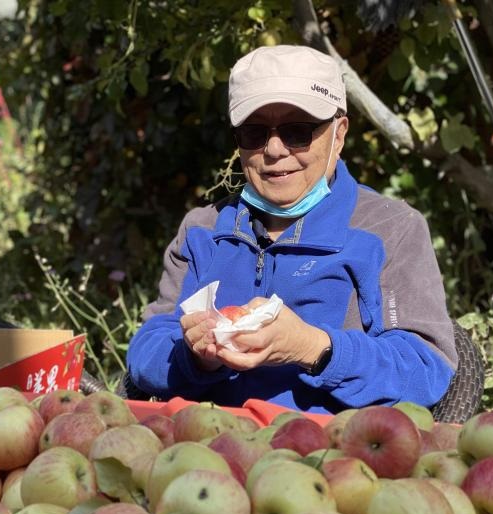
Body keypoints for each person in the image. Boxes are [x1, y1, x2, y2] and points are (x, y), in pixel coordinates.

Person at [126, 44, 457, 414]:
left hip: (334, 457)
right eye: (253, 133)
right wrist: (196, 356)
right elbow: (145, 355)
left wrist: (313, 348)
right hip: (210, 450)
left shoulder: (391, 230)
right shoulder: (202, 230)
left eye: (298, 131)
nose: (273, 149)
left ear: (339, 133)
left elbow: (426, 368)